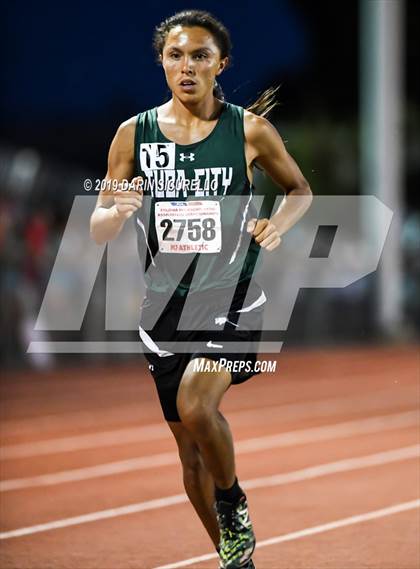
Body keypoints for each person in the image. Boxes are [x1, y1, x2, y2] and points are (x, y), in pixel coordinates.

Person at [90, 10, 312, 569]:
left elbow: (300, 190)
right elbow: (98, 224)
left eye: (200, 56)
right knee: (190, 458)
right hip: (163, 308)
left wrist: (275, 226)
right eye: (176, 55)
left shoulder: (249, 131)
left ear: (221, 64)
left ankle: (233, 502)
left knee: (196, 404)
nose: (186, 67)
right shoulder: (132, 134)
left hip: (232, 297)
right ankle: (234, 559)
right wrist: (116, 212)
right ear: (162, 61)